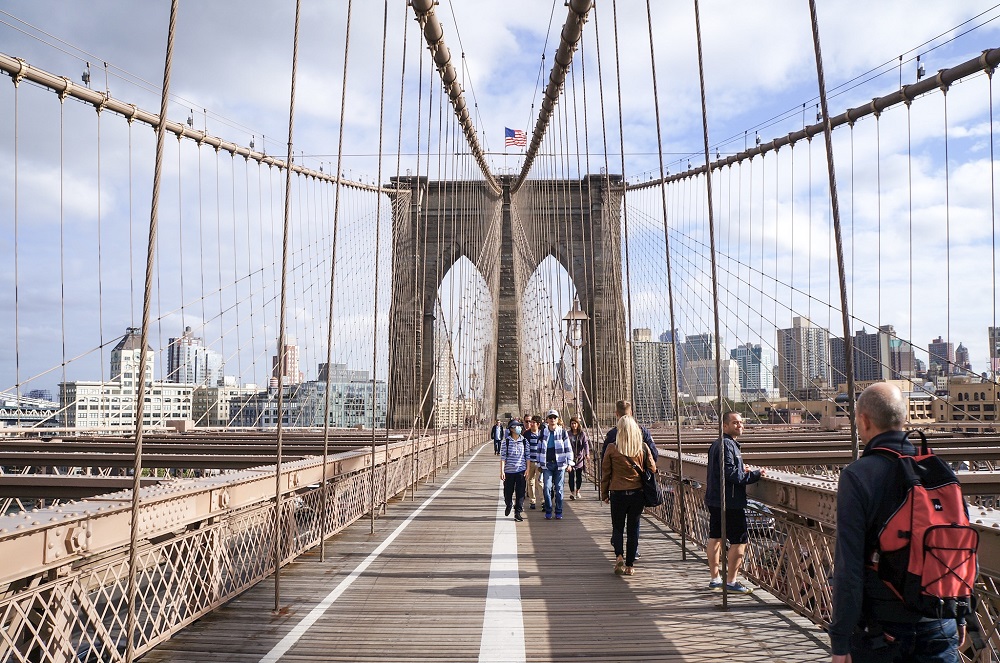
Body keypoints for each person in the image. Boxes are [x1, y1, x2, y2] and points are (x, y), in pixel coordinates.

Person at [829, 383, 965, 662]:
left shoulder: (858, 475)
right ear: (904, 419)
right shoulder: (939, 468)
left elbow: (849, 567)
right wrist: (962, 614)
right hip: (940, 619)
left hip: (884, 631)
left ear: (864, 421)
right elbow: (959, 543)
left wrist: (840, 641)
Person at [705, 411, 764, 595]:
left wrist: (741, 468)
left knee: (715, 537)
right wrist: (755, 474)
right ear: (724, 426)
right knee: (740, 540)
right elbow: (731, 474)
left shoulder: (717, 444)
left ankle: (715, 579)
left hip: (715, 498)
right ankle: (731, 581)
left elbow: (724, 469)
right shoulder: (728, 445)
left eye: (740, 422)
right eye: (735, 423)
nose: (739, 425)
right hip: (729, 502)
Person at [601, 415, 655, 576]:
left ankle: (619, 557)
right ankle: (630, 565)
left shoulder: (611, 448)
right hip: (637, 494)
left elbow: (606, 473)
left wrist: (604, 493)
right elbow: (652, 468)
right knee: (633, 530)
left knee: (618, 528)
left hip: (617, 494)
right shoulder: (643, 447)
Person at [538, 409, 574, 519]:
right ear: (547, 420)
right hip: (547, 464)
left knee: (559, 489)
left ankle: (559, 511)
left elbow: (568, 448)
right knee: (547, 488)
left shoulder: (562, 432)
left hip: (560, 464)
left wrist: (570, 463)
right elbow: (539, 449)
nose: (552, 419)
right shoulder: (543, 432)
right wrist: (539, 464)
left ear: (557, 420)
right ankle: (548, 510)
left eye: (554, 417)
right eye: (550, 417)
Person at [499, 419, 528, 521]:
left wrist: (527, 469)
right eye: (516, 426)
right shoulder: (506, 442)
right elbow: (503, 458)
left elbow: (527, 457)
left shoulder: (524, 441)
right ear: (511, 429)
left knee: (520, 493)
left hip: (521, 470)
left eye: (520, 426)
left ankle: (518, 512)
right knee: (508, 492)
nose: (519, 428)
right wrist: (502, 471)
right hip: (509, 471)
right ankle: (509, 504)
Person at [523, 415, 543, 510]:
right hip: (530, 462)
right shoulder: (526, 434)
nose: (531, 424)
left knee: (540, 482)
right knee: (530, 482)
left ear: (538, 424)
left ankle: (543, 501)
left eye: (533, 422)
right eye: (530, 422)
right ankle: (532, 501)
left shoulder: (542, 434)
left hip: (539, 462)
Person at [567, 417, 589, 500]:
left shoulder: (582, 434)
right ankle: (572, 493)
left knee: (579, 476)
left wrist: (587, 454)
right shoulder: (568, 434)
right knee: (571, 475)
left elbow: (585, 444)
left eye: (575, 423)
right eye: (572, 423)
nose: (573, 425)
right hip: (570, 458)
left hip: (579, 458)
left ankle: (577, 491)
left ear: (578, 424)